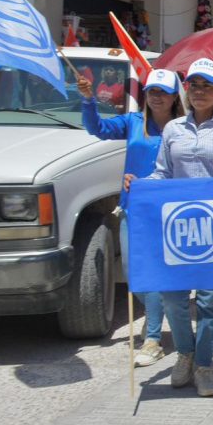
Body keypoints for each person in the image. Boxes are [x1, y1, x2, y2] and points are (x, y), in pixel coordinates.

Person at [145, 58, 213, 396]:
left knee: (210, 301)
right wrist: (140, 186)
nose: (199, 91)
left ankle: (204, 365)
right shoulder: (173, 129)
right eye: (194, 85)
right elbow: (162, 173)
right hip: (178, 226)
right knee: (172, 297)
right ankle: (185, 353)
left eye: (207, 85)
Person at [77, 68, 183, 368]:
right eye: (152, 91)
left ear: (174, 97)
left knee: (157, 273)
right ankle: (159, 316)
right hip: (133, 208)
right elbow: (98, 128)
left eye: (163, 92)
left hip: (167, 211)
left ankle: (153, 339)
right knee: (133, 273)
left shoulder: (183, 128)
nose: (156, 97)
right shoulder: (133, 122)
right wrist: (88, 100)